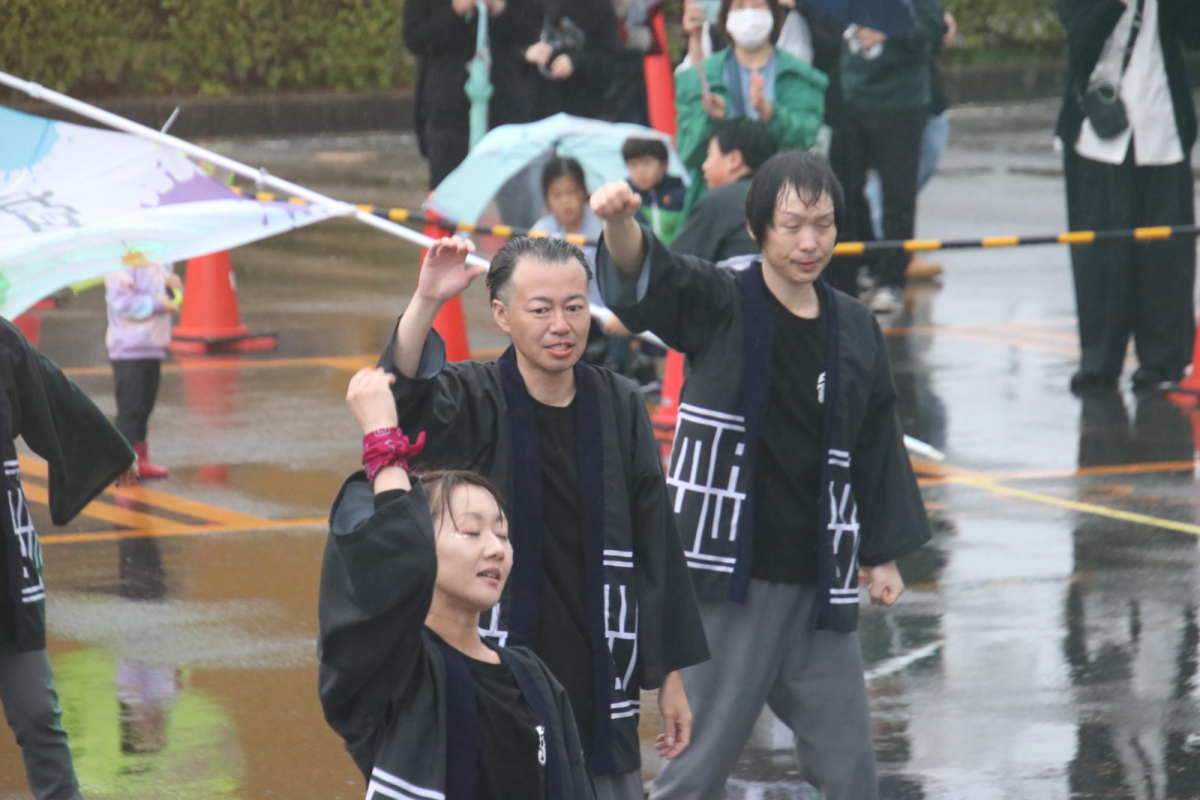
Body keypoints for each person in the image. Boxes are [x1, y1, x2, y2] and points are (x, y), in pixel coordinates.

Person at [590, 151, 932, 800]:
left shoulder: (855, 326)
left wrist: (882, 553)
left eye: (823, 225)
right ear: (756, 228)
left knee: (852, 772)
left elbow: (877, 443)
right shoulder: (721, 298)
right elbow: (651, 280)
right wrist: (619, 225)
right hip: (727, 585)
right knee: (695, 772)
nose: (809, 242)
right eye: (792, 225)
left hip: (818, 585)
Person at [376, 234, 709, 799]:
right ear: (501, 314)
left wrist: (671, 679)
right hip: (502, 659)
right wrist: (427, 300)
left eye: (574, 307)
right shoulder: (475, 395)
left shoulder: (620, 402)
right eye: (541, 309)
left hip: (600, 668)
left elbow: (656, 543)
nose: (562, 325)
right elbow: (401, 397)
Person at [318, 366, 599, 800]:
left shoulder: (532, 676)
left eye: (503, 534)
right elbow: (393, 566)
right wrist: (383, 444)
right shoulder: (393, 668)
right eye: (470, 531)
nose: (496, 549)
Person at [0, 317, 137, 800]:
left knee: (39, 715)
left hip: (6, 570)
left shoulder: (1, 342)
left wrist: (108, 449)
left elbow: (49, 389)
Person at [1055, 0, 1199, 393]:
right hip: (1097, 135)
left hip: (1162, 126)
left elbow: (1193, 32)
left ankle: (1165, 362)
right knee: (1101, 256)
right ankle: (1099, 361)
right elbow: (1079, 37)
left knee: (1166, 255)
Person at [832, 0, 947, 313]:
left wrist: (890, 30)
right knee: (846, 189)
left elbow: (934, 27)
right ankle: (866, 264)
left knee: (897, 194)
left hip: (901, 101)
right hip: (851, 94)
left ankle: (892, 279)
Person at [675, 0, 827, 216]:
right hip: (717, 204)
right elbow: (689, 152)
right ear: (725, 15)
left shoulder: (800, 75)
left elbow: (804, 140)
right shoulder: (699, 76)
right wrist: (710, 119)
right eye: (739, 6)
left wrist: (770, 113)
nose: (748, 13)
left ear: (773, 13)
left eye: (757, 5)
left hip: (782, 199)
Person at [863, 10, 957, 283]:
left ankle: (894, 248)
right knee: (891, 181)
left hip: (923, 92)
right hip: (884, 93)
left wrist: (938, 20)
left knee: (925, 155)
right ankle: (889, 251)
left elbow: (928, 22)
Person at [404, 0, 541, 187]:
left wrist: (500, 9)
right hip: (448, 105)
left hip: (504, 102)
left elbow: (532, 31)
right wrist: (455, 11)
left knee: (504, 189)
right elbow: (415, 39)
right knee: (449, 187)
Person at [105, 253, 180, 479]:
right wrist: (158, 304)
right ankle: (124, 464)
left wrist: (173, 290)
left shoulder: (160, 261)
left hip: (153, 345)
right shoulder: (123, 263)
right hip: (129, 348)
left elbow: (169, 298)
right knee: (131, 409)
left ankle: (140, 459)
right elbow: (122, 304)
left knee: (145, 407)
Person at [671, 117, 776, 266]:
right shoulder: (780, 195)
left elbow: (674, 265)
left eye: (709, 155)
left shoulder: (720, 201)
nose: (704, 166)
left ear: (734, 160)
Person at [525, 0, 622, 121]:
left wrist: (577, 61)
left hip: (581, 109)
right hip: (530, 105)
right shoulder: (527, 4)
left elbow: (610, 61)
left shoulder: (599, 7)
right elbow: (508, 44)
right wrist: (525, 53)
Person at [622, 137, 686, 244]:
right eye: (633, 164)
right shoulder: (625, 197)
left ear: (664, 164)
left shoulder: (682, 194)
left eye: (647, 163)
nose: (640, 171)